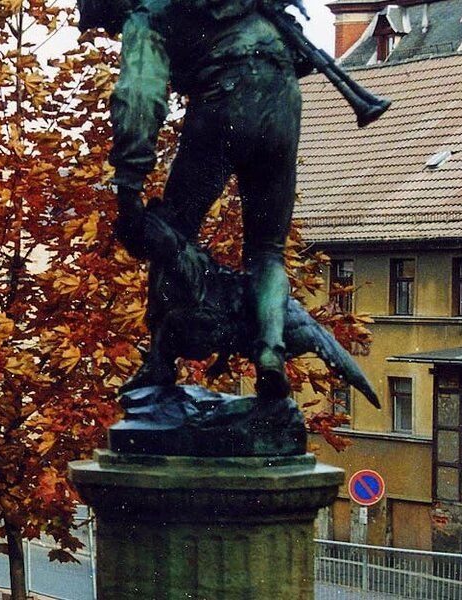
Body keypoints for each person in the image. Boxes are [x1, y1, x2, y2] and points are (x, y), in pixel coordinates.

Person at [85, 0, 307, 399]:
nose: (113, 34)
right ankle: (271, 353)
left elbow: (138, 96)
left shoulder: (146, 12)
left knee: (169, 230)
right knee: (267, 251)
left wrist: (129, 187)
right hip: (283, 99)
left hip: (224, 101)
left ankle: (158, 362)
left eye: (108, 26)